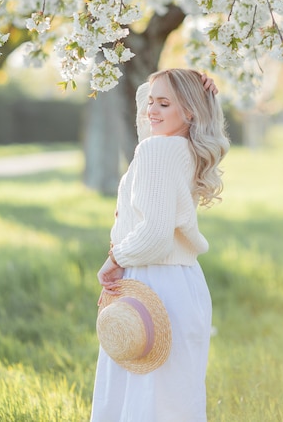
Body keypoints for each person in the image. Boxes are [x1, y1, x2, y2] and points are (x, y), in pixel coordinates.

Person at [90, 68, 230, 422]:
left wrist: (115, 258)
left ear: (190, 111)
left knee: (139, 402)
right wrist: (196, 92)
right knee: (174, 401)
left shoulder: (157, 150)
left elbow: (154, 236)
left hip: (152, 282)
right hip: (184, 285)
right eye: (150, 101)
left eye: (163, 104)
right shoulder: (183, 148)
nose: (151, 110)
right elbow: (151, 121)